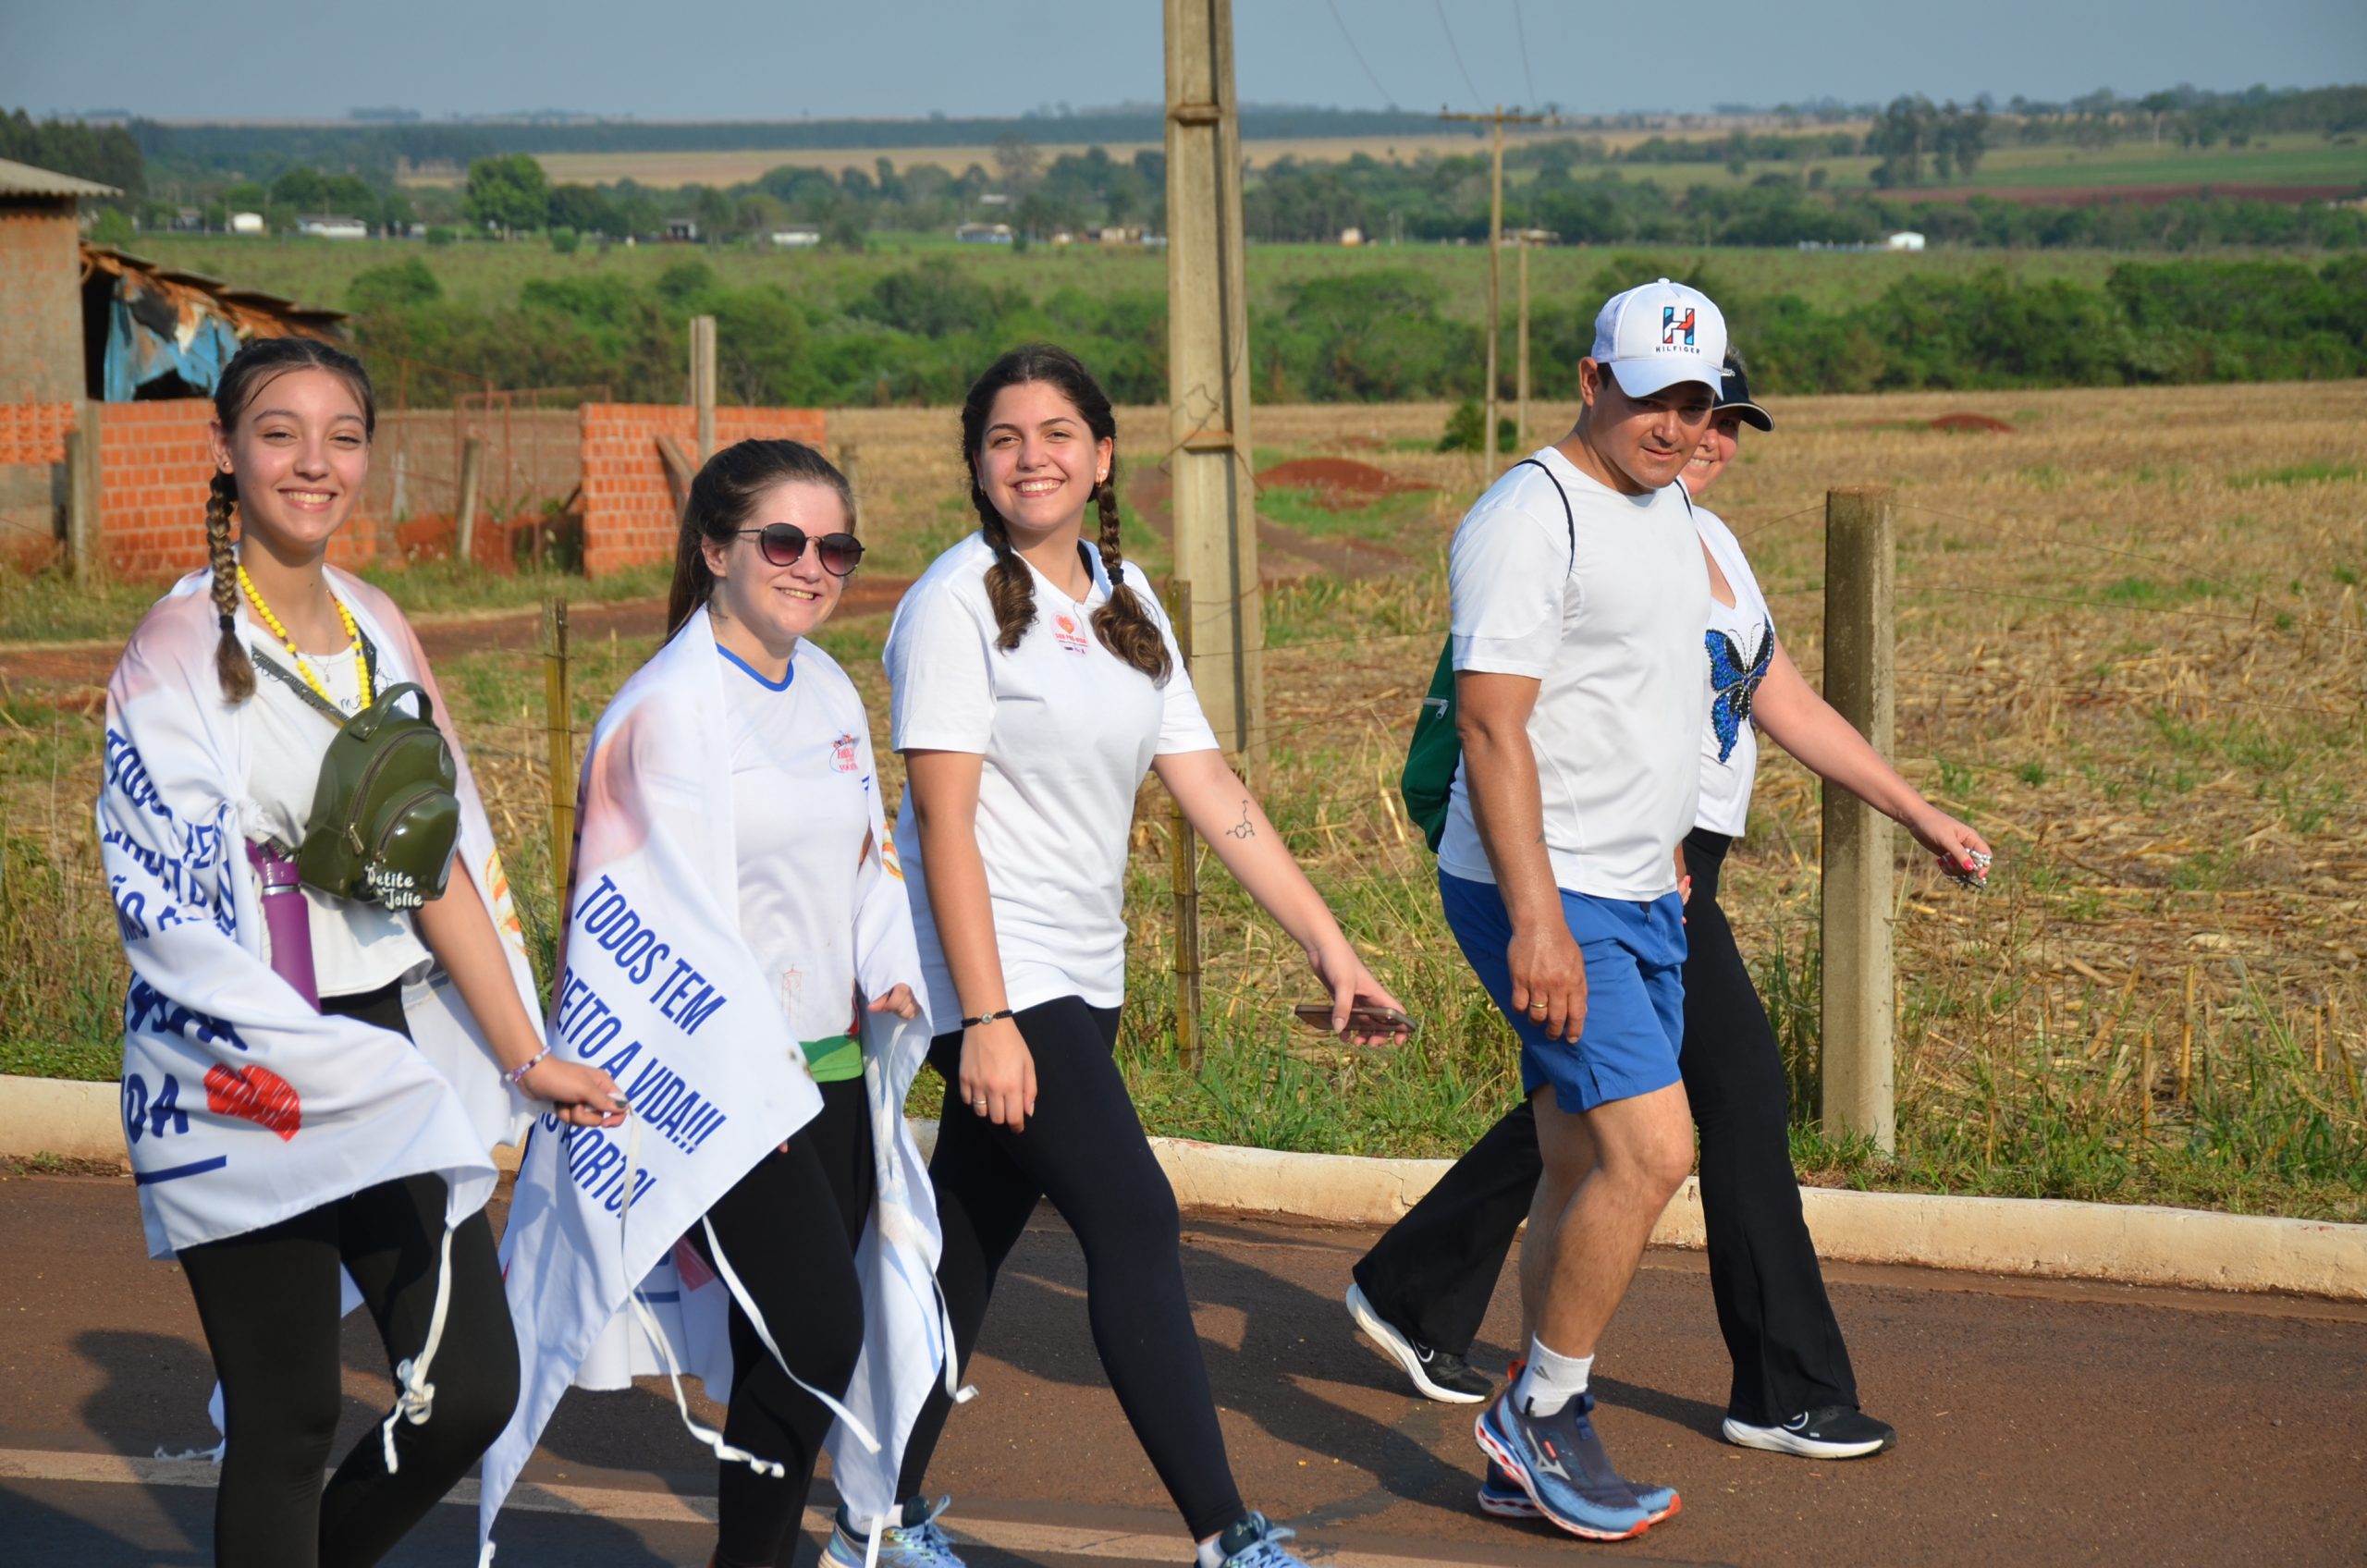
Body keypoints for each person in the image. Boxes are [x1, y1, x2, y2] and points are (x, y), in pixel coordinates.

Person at [1346, 348, 1993, 1506]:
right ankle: (1728, 1390)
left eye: (1724, 416)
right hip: (1608, 867)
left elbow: (1772, 696)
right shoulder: (1572, 523)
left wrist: (1915, 810)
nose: (1707, 435)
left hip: (1656, 864)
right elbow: (1529, 727)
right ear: (1609, 392)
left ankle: (1422, 1293)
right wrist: (1615, 874)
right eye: (1682, 408)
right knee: (1687, 1118)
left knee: (1601, 1123)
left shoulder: (1712, 548)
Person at [856, 343, 1408, 1568]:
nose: (1031, 457)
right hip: (991, 976)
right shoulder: (952, 603)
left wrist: (1332, 948)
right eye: (1005, 439)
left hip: (1079, 975)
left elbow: (1209, 789)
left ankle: (869, 1520)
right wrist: (987, 1017)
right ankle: (1229, 1535)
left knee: (968, 1247)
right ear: (977, 466)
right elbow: (941, 818)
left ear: (1102, 456)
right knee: (1136, 1221)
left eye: (1057, 434)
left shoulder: (1124, 597)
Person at [96, 336, 623, 1568]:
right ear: (225, 451)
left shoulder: (378, 626)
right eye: (280, 433)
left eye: (341, 437)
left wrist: (522, 1051)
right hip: (242, 1063)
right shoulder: (173, 649)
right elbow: (167, 895)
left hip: (382, 1049)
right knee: (288, 1421)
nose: (313, 463)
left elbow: (428, 856)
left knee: (470, 1391)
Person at [476, 441, 949, 1568]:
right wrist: (752, 1074)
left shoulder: (828, 683)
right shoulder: (671, 709)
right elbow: (658, 922)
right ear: (714, 550)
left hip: (833, 1066)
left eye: (834, 546)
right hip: (725, 1085)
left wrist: (887, 966)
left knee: (785, 1348)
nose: (811, 566)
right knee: (818, 1334)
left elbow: (868, 863)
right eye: (781, 542)